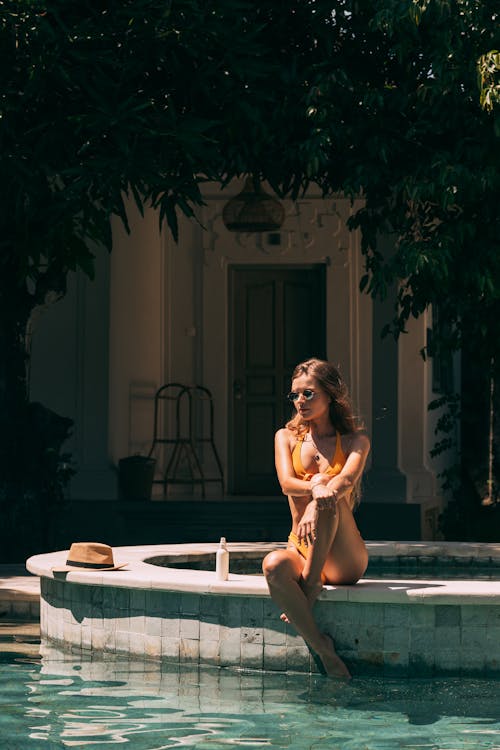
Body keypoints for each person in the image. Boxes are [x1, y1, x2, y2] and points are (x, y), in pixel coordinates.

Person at [262, 358, 370, 679]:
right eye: (295, 395)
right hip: (302, 546)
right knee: (273, 566)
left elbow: (346, 481)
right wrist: (318, 485)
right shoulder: (286, 437)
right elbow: (286, 483)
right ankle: (324, 648)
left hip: (343, 559)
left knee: (329, 498)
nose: (300, 402)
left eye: (308, 394)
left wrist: (318, 498)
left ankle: (310, 585)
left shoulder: (355, 442)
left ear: (330, 395)